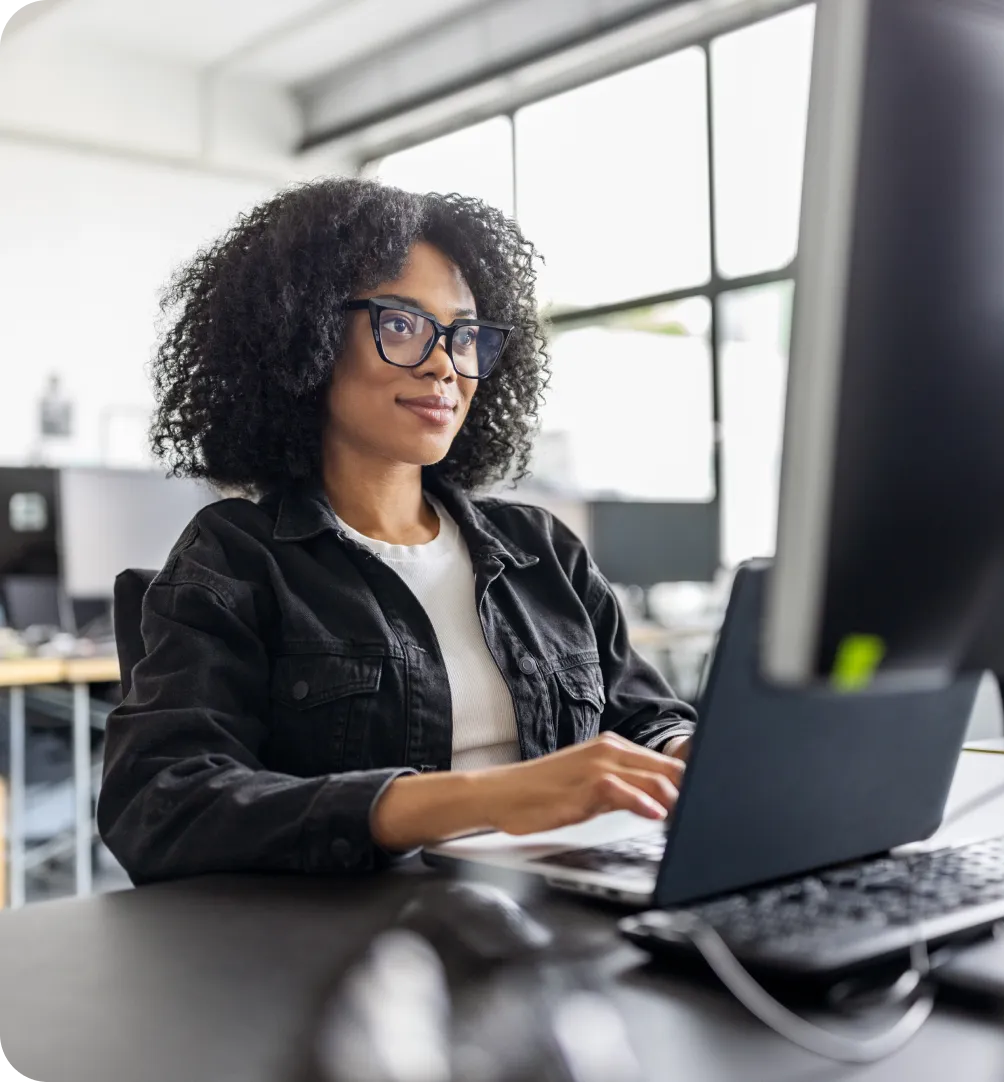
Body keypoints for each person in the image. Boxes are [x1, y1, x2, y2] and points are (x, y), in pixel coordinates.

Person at [97, 178, 696, 885]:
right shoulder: (235, 559)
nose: (446, 363)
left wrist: (690, 752)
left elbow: (644, 718)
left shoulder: (542, 549)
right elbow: (161, 804)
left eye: (465, 334)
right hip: (357, 953)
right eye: (403, 324)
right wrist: (480, 798)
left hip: (562, 919)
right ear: (307, 339)